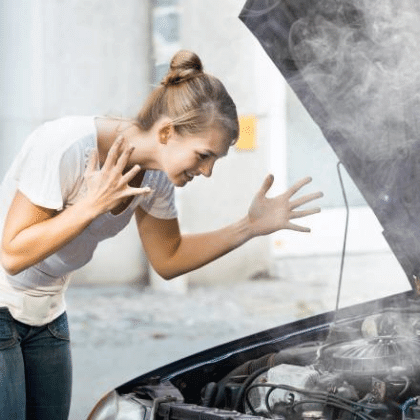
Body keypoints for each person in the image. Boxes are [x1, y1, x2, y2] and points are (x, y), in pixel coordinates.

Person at [0, 50, 322, 419]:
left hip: (47, 311)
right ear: (167, 132)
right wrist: (89, 206)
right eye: (204, 155)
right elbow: (12, 253)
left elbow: (168, 259)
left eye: (215, 160)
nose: (207, 171)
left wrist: (249, 227)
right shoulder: (67, 146)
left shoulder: (155, 176)